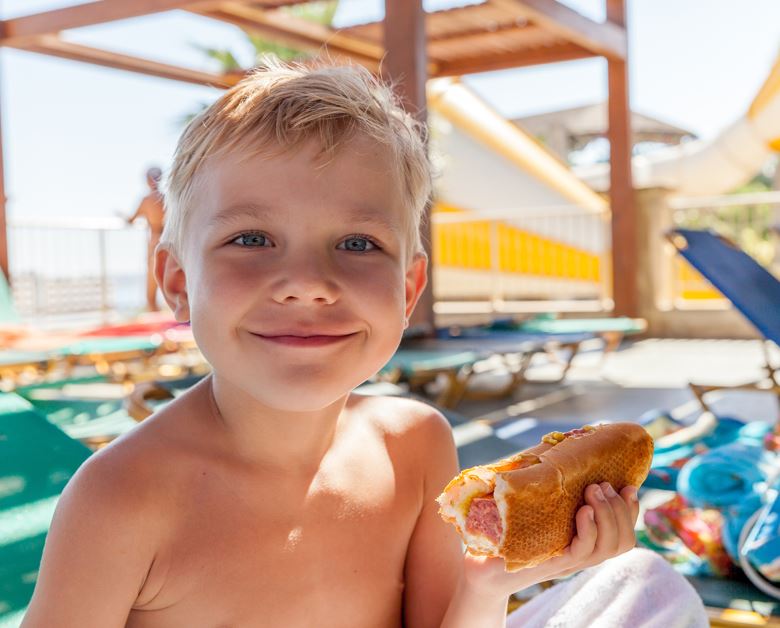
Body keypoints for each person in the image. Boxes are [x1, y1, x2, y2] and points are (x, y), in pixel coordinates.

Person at [22, 60, 650, 627]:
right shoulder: (123, 497)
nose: (306, 285)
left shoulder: (416, 447)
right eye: (250, 239)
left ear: (407, 292)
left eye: (357, 244)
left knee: (649, 584)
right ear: (178, 283)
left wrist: (494, 587)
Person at [124, 166, 165, 312]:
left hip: (155, 242)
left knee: (151, 292)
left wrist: (121, 216)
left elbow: (131, 220)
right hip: (171, 242)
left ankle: (156, 326)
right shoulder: (168, 199)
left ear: (147, 181)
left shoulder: (147, 200)